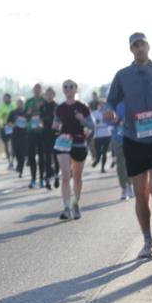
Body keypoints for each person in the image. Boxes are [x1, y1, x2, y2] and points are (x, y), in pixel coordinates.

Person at [104, 32, 152, 259]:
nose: (139, 49)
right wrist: (108, 109)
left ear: (148, 46)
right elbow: (111, 99)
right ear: (131, 50)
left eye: (142, 45)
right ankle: (147, 240)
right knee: (141, 195)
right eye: (135, 46)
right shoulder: (122, 76)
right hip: (133, 140)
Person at [52, 80, 92, 219]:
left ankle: (75, 203)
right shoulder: (60, 108)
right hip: (63, 143)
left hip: (79, 143)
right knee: (65, 175)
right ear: (63, 90)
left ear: (76, 89)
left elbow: (92, 126)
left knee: (77, 178)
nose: (68, 89)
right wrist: (55, 125)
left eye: (71, 86)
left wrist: (82, 120)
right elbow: (55, 124)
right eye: (65, 87)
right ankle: (66, 207)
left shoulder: (83, 107)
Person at [23, 84, 47, 189]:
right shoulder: (29, 101)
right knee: (32, 156)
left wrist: (42, 113)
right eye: (35, 89)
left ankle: (42, 179)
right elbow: (25, 116)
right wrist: (28, 113)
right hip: (31, 131)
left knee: (42, 156)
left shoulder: (44, 101)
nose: (37, 91)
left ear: (41, 91)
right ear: (33, 90)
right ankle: (33, 179)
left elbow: (47, 114)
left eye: (39, 89)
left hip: (41, 131)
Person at [110, 102, 133, 200]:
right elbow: (106, 119)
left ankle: (130, 185)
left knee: (130, 163)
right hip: (118, 138)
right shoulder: (113, 102)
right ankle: (124, 187)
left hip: (132, 137)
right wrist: (115, 120)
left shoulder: (134, 99)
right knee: (120, 164)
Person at [41, 86, 60, 190]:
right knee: (47, 157)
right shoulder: (42, 106)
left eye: (50, 94)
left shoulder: (57, 107)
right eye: (47, 94)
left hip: (55, 134)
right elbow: (41, 119)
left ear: (54, 95)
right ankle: (48, 178)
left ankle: (57, 175)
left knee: (56, 156)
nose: (48, 96)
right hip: (45, 134)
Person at [7, 98, 29, 179]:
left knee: (23, 152)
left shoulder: (26, 112)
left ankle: (20, 168)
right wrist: (13, 124)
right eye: (19, 102)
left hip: (24, 134)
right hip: (15, 134)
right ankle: (19, 163)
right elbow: (8, 122)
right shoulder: (13, 113)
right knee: (16, 150)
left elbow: (30, 121)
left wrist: (26, 123)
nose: (20, 104)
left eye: (22, 102)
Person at [90, 100, 113, 174]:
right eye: (101, 104)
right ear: (98, 105)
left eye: (104, 104)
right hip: (98, 135)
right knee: (99, 152)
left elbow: (112, 121)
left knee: (104, 152)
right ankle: (97, 160)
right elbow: (92, 123)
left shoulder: (108, 112)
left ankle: (102, 168)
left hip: (107, 134)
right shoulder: (94, 113)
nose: (102, 106)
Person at [0, 92, 15, 170]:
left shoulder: (14, 105)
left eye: (6, 98)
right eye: (4, 98)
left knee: (13, 144)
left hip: (13, 127)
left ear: (10, 98)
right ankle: (9, 161)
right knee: (6, 145)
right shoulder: (1, 107)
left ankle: (13, 160)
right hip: (4, 127)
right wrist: (2, 115)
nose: (5, 100)